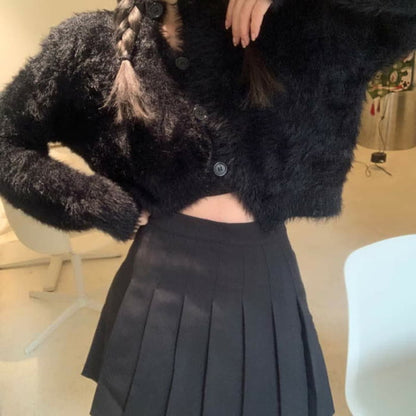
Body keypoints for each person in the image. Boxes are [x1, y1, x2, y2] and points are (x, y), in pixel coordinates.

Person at [1, 0, 415, 414]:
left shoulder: (295, 23)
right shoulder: (93, 43)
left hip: (264, 278)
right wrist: (94, 201)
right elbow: (7, 140)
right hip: (157, 285)